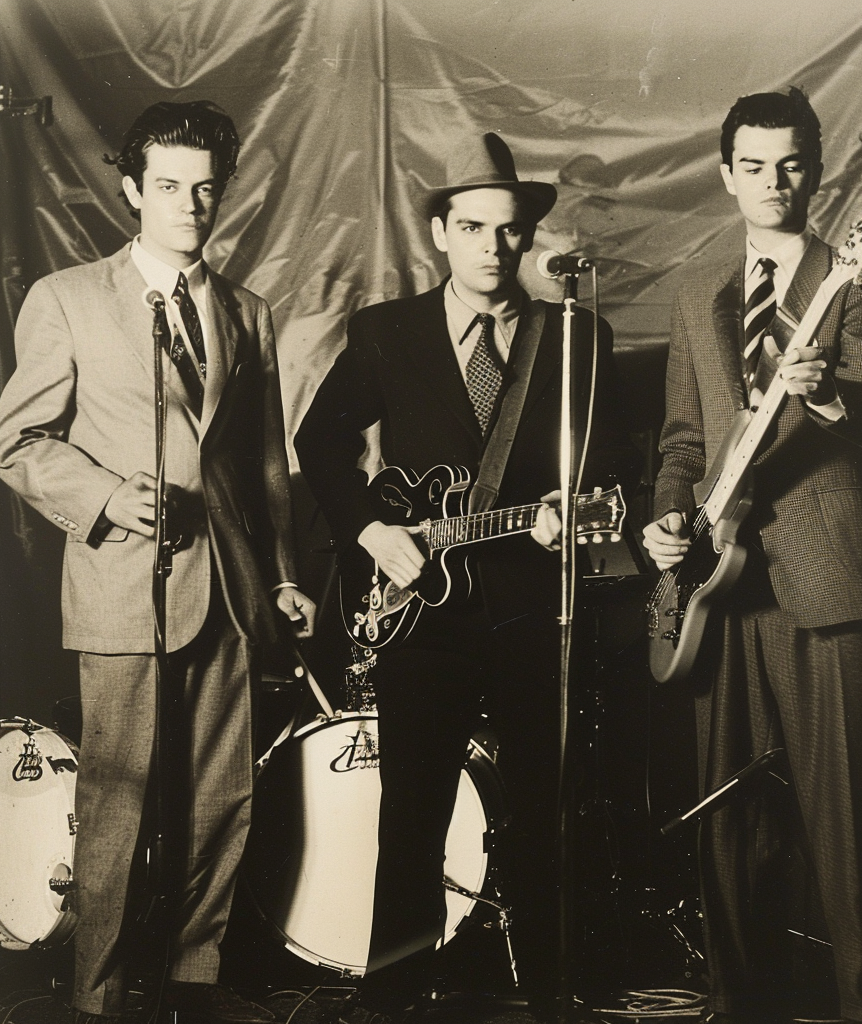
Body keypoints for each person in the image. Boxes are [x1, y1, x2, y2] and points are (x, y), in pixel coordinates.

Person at [0, 101, 317, 1024]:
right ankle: (97, 1001)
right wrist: (100, 496)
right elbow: (14, 442)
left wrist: (285, 574)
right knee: (119, 801)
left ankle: (188, 987)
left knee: (222, 800)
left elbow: (263, 467)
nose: (189, 206)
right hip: (123, 583)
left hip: (235, 591)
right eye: (168, 187)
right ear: (131, 190)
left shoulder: (248, 311)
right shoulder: (65, 299)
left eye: (205, 189)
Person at [295, 132, 636, 1023]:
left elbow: (605, 476)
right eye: (473, 226)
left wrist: (570, 521)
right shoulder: (386, 332)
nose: (493, 247)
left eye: (510, 230)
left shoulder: (577, 336)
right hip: (420, 614)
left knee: (542, 808)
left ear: (529, 239)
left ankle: (551, 994)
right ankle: (392, 1000)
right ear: (440, 232)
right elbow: (319, 444)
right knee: (410, 814)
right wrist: (371, 530)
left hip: (533, 607)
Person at [642, 89, 862, 1024]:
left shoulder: (858, 278)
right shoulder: (698, 286)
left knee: (847, 822)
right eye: (753, 165)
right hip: (720, 583)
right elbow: (682, 438)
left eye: (791, 163)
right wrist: (669, 519)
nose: (774, 182)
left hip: (825, 575)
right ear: (726, 176)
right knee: (729, 819)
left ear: (817, 169)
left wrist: (827, 393)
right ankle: (736, 1005)